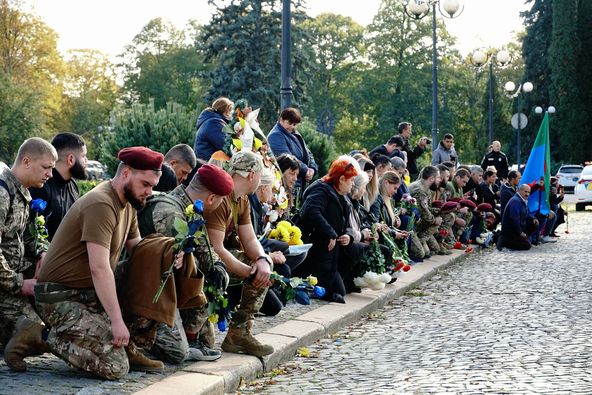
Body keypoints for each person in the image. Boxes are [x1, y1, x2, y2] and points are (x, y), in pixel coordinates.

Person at [7, 147, 164, 378]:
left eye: (152, 186)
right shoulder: (101, 204)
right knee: (115, 367)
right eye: (146, 184)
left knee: (148, 270)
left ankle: (127, 346)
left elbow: (139, 252)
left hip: (87, 293)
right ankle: (39, 336)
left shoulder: (129, 203)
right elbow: (99, 268)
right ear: (126, 174)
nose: (149, 192)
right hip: (59, 297)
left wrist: (168, 252)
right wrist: (116, 321)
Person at [137, 164, 234, 363]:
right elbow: (182, 263)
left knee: (207, 342)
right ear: (212, 199)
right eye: (221, 201)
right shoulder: (169, 211)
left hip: (168, 285)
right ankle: (139, 336)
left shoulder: (190, 209)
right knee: (176, 352)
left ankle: (189, 336)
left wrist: (219, 266)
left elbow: (204, 250)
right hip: (147, 290)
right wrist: (209, 268)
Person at [203, 151, 274, 357]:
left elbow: (250, 240)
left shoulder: (241, 199)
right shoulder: (223, 197)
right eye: (260, 176)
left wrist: (262, 260)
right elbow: (215, 248)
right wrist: (248, 272)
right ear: (252, 175)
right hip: (204, 263)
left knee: (264, 264)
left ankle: (240, 332)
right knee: (204, 341)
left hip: (220, 259)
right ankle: (234, 332)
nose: (260, 181)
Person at [0, 138, 56, 355]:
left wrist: (42, 251)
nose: (50, 174)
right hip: (6, 284)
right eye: (46, 167)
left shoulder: (22, 191)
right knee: (36, 335)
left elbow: (27, 236)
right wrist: (20, 284)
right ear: (26, 161)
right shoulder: (3, 193)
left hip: (15, 275)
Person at [295, 156, 360, 304]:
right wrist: (330, 232)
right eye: (350, 181)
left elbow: (347, 222)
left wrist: (348, 235)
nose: (352, 185)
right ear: (342, 179)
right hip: (316, 249)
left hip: (330, 254)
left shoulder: (340, 194)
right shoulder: (322, 189)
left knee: (339, 292)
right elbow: (311, 211)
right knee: (334, 293)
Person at [29, 133, 87, 241]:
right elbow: (31, 234)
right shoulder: (41, 185)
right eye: (83, 156)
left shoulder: (73, 185)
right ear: (70, 159)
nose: (86, 161)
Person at [267, 107, 318, 202]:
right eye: (289, 123)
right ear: (281, 119)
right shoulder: (275, 135)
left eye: (294, 124)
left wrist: (312, 169)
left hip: (299, 184)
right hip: (288, 185)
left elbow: (308, 153)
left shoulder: (294, 133)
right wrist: (306, 170)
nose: (292, 127)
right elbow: (288, 159)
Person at [409, 166, 443, 257]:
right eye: (438, 177)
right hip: (411, 226)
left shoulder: (426, 188)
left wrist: (441, 210)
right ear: (432, 178)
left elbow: (426, 208)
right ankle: (418, 241)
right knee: (421, 254)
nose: (440, 180)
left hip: (419, 222)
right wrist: (435, 220)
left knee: (435, 249)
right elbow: (424, 213)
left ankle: (422, 239)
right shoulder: (420, 190)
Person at [193, 97, 234, 161]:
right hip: (209, 165)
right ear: (226, 110)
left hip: (206, 163)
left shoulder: (211, 121)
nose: (232, 114)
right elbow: (227, 147)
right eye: (230, 110)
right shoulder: (214, 123)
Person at [498, 184, 536, 251]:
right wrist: (520, 232)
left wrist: (533, 218)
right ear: (519, 191)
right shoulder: (515, 201)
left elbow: (527, 214)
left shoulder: (523, 200)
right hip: (511, 231)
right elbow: (514, 219)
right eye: (525, 192)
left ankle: (524, 239)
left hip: (520, 227)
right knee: (527, 246)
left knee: (534, 223)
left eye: (528, 192)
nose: (527, 194)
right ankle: (504, 242)